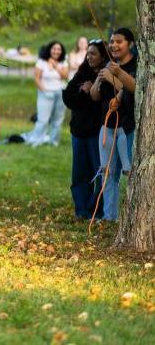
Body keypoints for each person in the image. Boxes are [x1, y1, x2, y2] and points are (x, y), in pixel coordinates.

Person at [90, 28, 137, 221]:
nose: (114, 45)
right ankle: (110, 216)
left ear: (130, 44)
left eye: (119, 41)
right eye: (111, 41)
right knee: (107, 172)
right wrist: (99, 82)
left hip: (127, 127)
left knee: (131, 172)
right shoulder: (110, 66)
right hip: (106, 126)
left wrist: (114, 77)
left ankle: (134, 218)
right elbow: (95, 96)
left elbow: (134, 89)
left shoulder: (136, 65)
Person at [62, 40, 110, 219]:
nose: (89, 57)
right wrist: (84, 92)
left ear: (103, 56)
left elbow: (102, 103)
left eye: (93, 54)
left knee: (98, 173)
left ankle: (96, 209)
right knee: (80, 173)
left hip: (97, 132)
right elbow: (68, 98)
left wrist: (92, 91)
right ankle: (81, 210)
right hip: (79, 132)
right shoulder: (82, 73)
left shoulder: (108, 75)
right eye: (88, 53)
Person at [22, 41, 68, 147]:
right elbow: (37, 78)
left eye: (59, 49)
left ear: (61, 51)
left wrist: (55, 66)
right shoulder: (41, 61)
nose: (56, 51)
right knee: (43, 119)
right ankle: (35, 141)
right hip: (45, 93)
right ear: (49, 49)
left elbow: (65, 76)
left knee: (57, 120)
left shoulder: (63, 62)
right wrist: (44, 90)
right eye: (54, 48)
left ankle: (54, 142)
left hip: (60, 93)